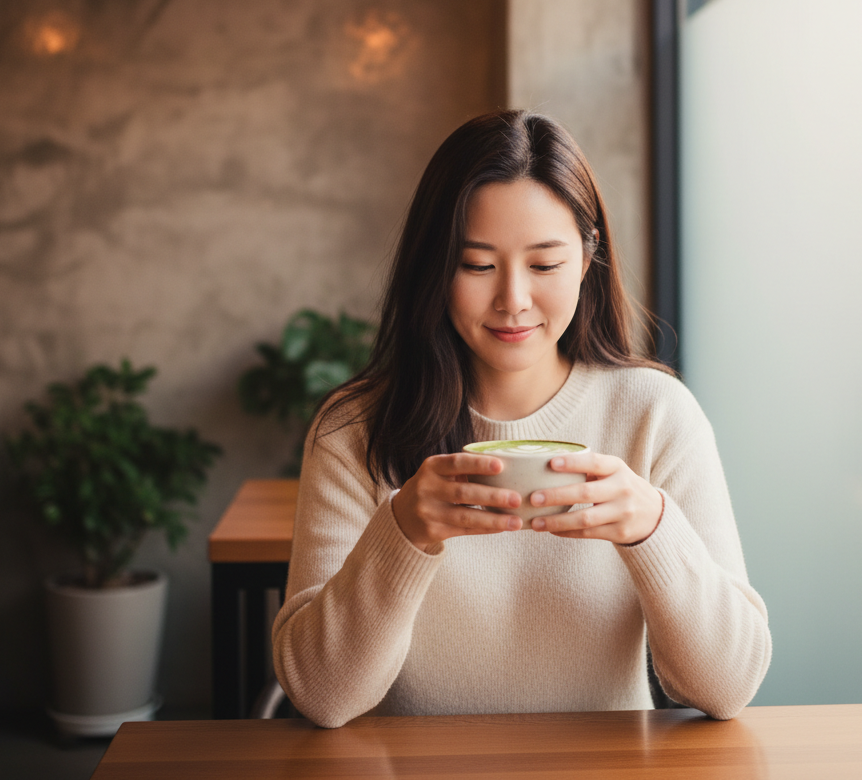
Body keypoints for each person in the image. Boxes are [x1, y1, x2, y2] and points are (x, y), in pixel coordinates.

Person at [272, 110, 771, 727]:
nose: (513, 300)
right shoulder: (355, 429)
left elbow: (729, 687)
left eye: (544, 265)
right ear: (435, 266)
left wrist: (651, 528)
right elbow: (322, 696)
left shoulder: (654, 414)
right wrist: (403, 529)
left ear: (588, 259)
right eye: (477, 265)